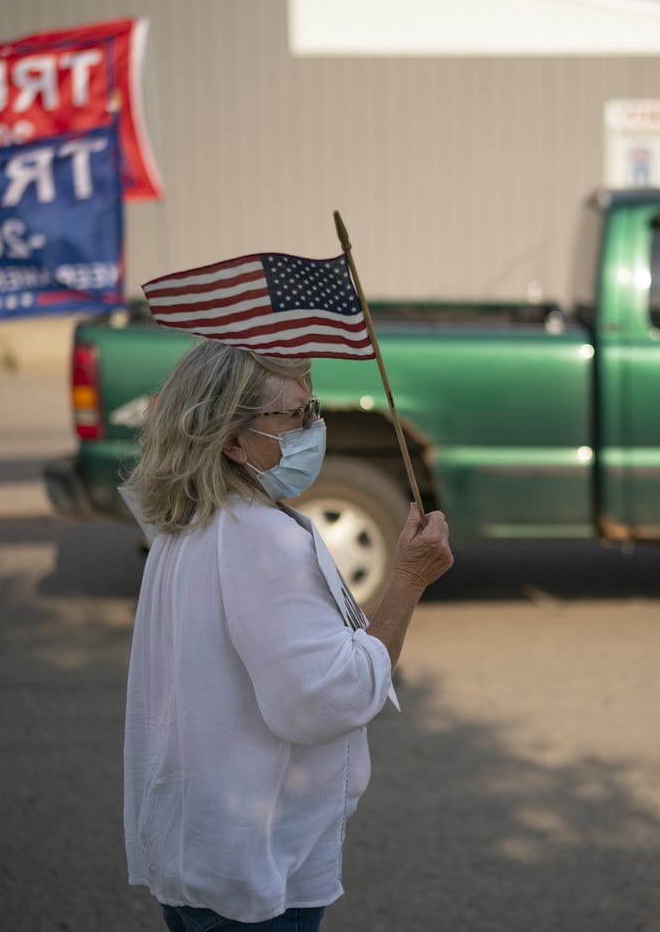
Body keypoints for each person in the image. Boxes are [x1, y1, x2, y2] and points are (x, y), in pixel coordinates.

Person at [121, 338, 453, 932]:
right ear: (231, 438)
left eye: (313, 408)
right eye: (295, 415)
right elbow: (326, 699)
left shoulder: (189, 523)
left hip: (199, 860)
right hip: (254, 875)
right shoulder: (262, 538)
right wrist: (406, 581)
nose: (313, 427)